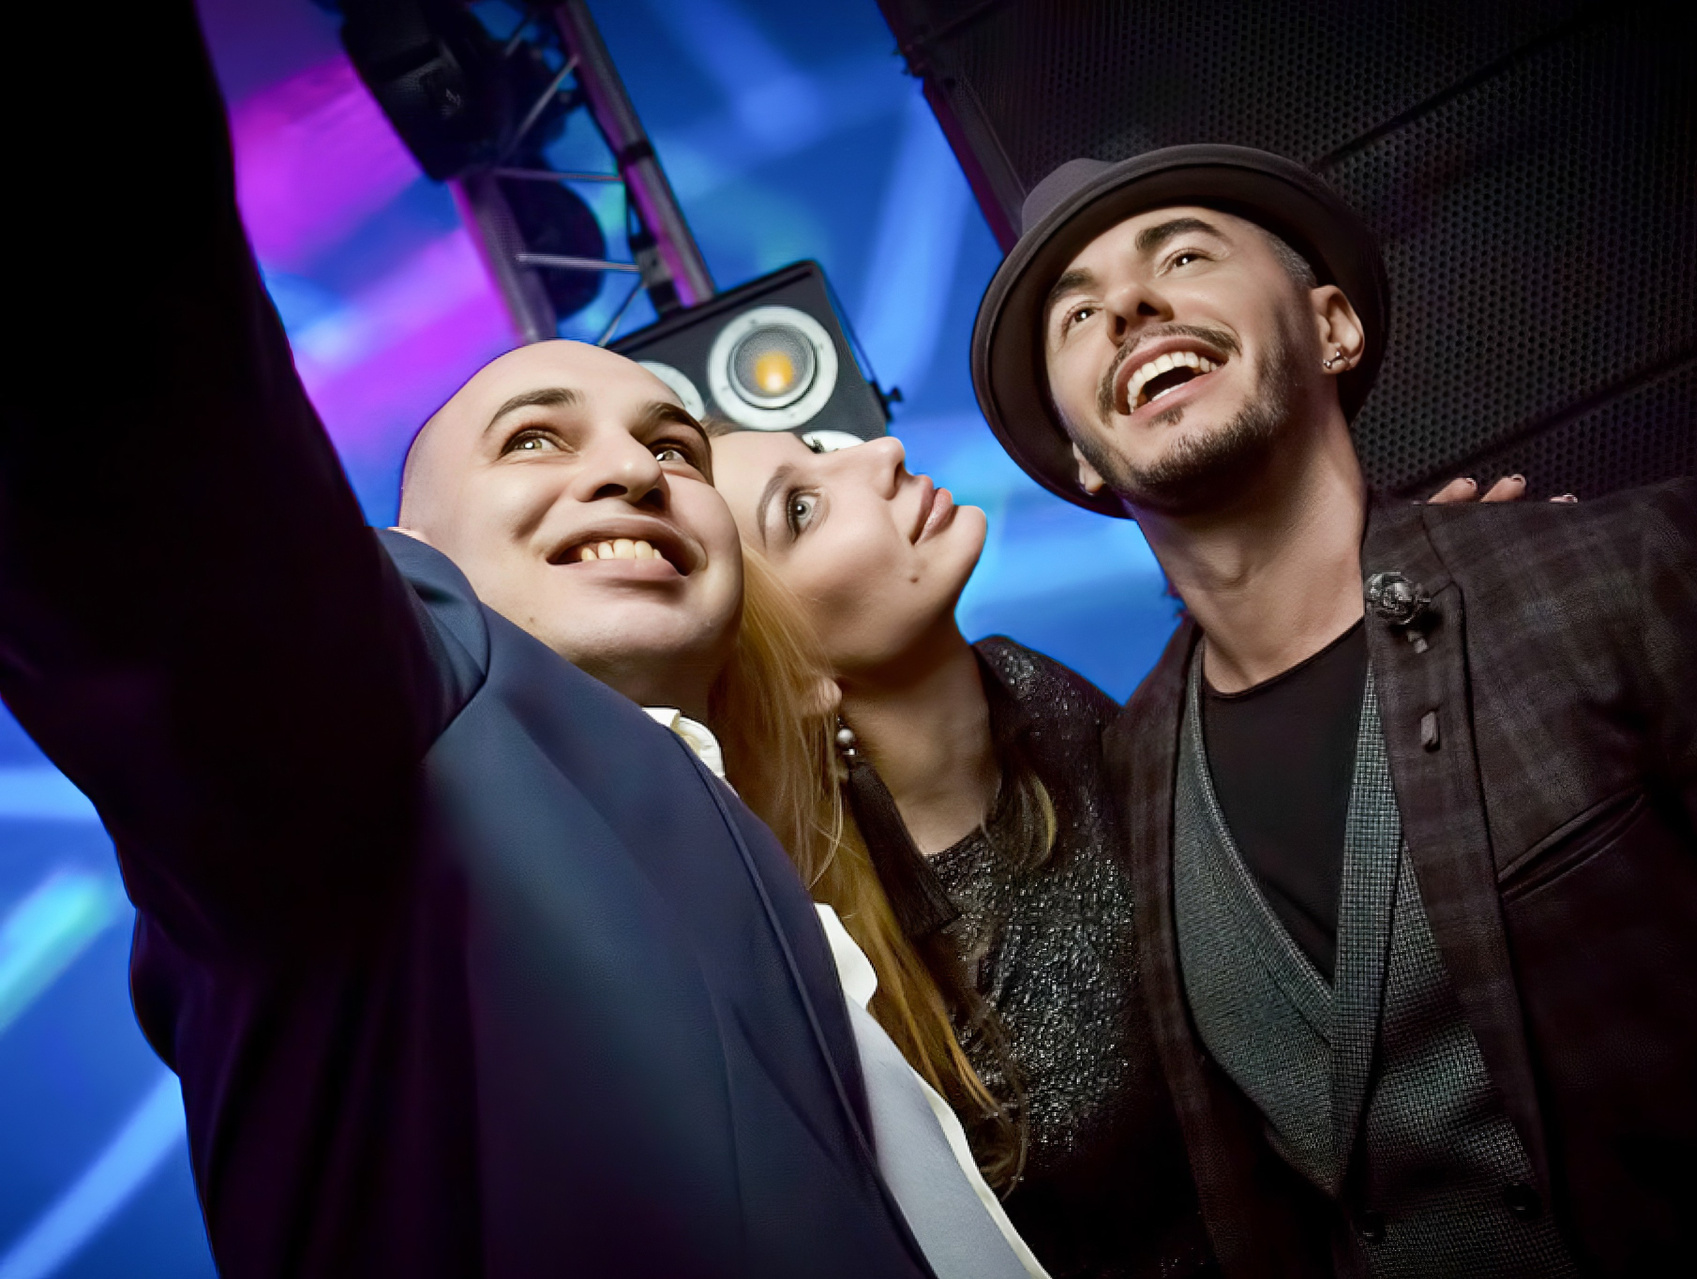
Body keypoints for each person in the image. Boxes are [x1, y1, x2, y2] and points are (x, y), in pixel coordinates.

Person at [0, 9, 1023, 1277]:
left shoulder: (762, 880)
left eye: (675, 448)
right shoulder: (379, 732)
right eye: (534, 439)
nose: (635, 474)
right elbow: (126, 385)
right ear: (401, 557)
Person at [967, 144, 1697, 1276]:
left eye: (1183, 257)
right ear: (1082, 459)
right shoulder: (1132, 777)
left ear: (1332, 328)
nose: (1128, 305)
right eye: (1077, 316)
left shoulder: (1623, 576)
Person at [709, 426, 1214, 1279]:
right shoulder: (834, 962)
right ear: (792, 677)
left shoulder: (1035, 691)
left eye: (820, 445)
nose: (881, 452)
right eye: (800, 509)